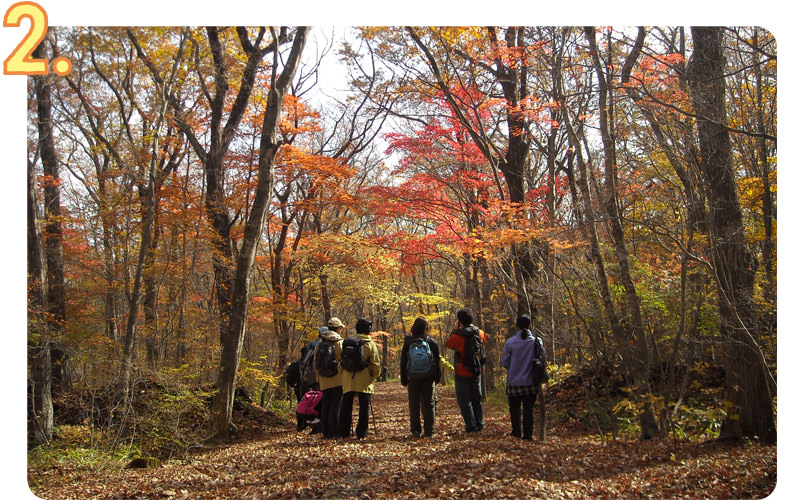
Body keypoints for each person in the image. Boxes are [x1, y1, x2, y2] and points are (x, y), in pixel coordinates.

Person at [500, 314, 545, 441]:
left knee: (514, 407)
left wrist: (513, 367)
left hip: (514, 381)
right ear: (530, 325)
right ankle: (528, 435)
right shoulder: (537, 341)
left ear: (517, 326)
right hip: (531, 381)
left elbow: (504, 362)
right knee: (528, 408)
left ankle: (516, 432)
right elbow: (542, 360)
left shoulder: (510, 342)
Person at [445, 308, 488, 433]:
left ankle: (470, 425)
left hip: (462, 371)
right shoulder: (478, 332)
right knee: (477, 399)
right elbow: (484, 339)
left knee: (465, 400)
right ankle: (479, 424)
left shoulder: (457, 336)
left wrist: (455, 330)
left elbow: (448, 344)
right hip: (476, 370)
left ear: (459, 321)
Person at [338, 318, 381, 439]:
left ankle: (344, 432)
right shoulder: (370, 343)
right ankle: (361, 433)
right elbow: (375, 363)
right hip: (364, 379)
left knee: (346, 405)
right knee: (364, 406)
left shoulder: (347, 342)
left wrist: (342, 372)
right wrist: (375, 375)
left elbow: (341, 360)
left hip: (347, 377)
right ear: (369, 330)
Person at [400, 316, 442, 438]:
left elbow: (403, 362)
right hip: (429, 377)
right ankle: (429, 430)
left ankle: (416, 430)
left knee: (414, 404)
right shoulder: (431, 342)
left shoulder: (408, 342)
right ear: (426, 328)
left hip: (413, 377)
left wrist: (404, 379)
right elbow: (437, 361)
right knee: (428, 403)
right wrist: (437, 377)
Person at [314, 317, 345, 438]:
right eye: (340, 328)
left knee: (326, 405)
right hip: (337, 379)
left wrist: (318, 377)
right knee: (336, 405)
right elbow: (342, 359)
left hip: (324, 379)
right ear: (337, 328)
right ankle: (334, 431)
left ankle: (325, 431)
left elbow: (315, 361)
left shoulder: (320, 342)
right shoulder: (338, 341)